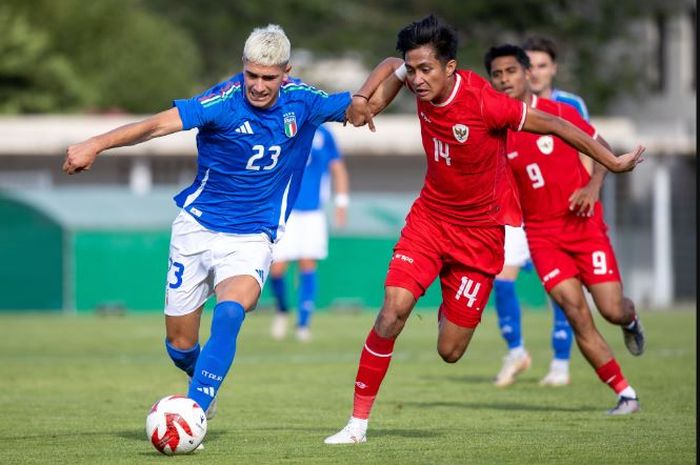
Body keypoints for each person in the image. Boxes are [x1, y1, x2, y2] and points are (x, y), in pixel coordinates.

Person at [324, 15, 644, 444]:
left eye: (426, 70)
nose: (417, 80)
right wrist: (366, 96)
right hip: (430, 221)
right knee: (392, 310)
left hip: (479, 237)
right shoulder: (416, 76)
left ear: (450, 67)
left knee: (450, 351)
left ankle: (448, 303)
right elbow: (388, 65)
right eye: (413, 70)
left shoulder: (484, 103)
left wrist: (610, 163)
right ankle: (357, 425)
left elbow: (555, 124)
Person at [62, 25, 352, 428]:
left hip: (252, 234)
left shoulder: (304, 101)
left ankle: (195, 409)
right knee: (180, 346)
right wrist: (95, 144)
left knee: (232, 310)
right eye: (251, 75)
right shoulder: (222, 102)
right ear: (243, 68)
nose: (258, 85)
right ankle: (198, 377)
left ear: (286, 73)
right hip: (196, 229)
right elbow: (156, 126)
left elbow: (360, 106)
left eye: (269, 78)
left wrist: (396, 70)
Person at [484, 43, 646, 415]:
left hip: (584, 227)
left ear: (528, 74)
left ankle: (631, 319)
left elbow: (599, 146)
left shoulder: (560, 112)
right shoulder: (497, 130)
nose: (505, 79)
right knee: (575, 313)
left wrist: (593, 186)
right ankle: (625, 393)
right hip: (541, 236)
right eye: (497, 74)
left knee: (611, 310)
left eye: (512, 71)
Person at [492, 36, 594, 388]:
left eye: (541, 65)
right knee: (502, 278)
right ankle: (516, 351)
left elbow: (588, 146)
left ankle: (561, 362)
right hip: (518, 213)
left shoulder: (569, 104)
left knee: (561, 290)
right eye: (529, 65)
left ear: (553, 69)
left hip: (560, 213)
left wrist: (588, 193)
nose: (534, 72)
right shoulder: (505, 106)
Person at [269, 124, 349, 342]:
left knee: (307, 265)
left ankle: (303, 324)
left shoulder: (324, 134)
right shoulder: (281, 127)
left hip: (313, 213)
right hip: (285, 211)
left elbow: (337, 167)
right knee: (276, 269)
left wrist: (341, 203)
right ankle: (282, 310)